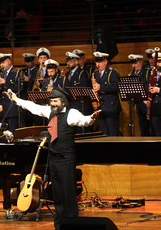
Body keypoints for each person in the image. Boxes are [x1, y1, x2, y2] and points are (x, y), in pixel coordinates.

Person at [7, 87, 101, 230]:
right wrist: (16, 100)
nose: (53, 104)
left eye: (55, 101)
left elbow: (84, 121)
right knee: (57, 194)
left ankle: (72, 224)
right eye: (51, 101)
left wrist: (91, 118)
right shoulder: (50, 111)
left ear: (63, 102)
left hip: (66, 158)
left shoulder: (71, 114)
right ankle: (60, 225)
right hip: (54, 158)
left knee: (68, 193)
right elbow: (33, 107)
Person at [92, 52, 121, 136]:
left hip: (111, 107)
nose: (97, 64)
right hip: (101, 107)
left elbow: (116, 86)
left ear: (105, 61)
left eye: (100, 62)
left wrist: (101, 88)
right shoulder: (96, 74)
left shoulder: (112, 72)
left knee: (113, 133)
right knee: (104, 133)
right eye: (96, 62)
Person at [0, 53, 22, 134]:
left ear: (9, 62)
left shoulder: (17, 72)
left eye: (3, 63)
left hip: (12, 108)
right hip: (2, 109)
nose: (1, 65)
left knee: (13, 133)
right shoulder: (1, 73)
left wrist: (5, 83)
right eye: (0, 63)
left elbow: (19, 88)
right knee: (3, 135)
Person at [64, 52, 92, 133]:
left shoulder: (82, 73)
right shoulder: (66, 74)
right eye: (67, 61)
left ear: (76, 61)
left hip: (80, 106)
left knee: (81, 131)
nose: (68, 63)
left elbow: (84, 89)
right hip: (71, 106)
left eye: (71, 61)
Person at [128, 54, 150, 136]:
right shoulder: (131, 75)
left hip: (147, 103)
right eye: (132, 63)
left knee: (151, 126)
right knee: (142, 127)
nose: (133, 65)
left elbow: (148, 86)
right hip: (139, 105)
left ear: (140, 62)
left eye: (135, 63)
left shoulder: (147, 72)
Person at [20, 53, 42, 126]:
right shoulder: (23, 71)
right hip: (26, 99)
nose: (27, 64)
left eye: (29, 62)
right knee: (27, 121)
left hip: (35, 99)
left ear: (33, 61)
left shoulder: (38, 70)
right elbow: (22, 86)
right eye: (26, 62)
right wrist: (23, 82)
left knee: (37, 121)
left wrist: (30, 80)